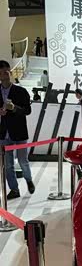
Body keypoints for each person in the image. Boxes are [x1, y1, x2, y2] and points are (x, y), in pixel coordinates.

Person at [0, 60, 35, 200]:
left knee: (22, 161)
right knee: (7, 165)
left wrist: (14, 108)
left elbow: (28, 110)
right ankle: (14, 189)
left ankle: (28, 180)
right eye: (2, 72)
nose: (5, 74)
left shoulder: (21, 91)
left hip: (19, 132)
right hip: (3, 133)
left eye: (7, 71)